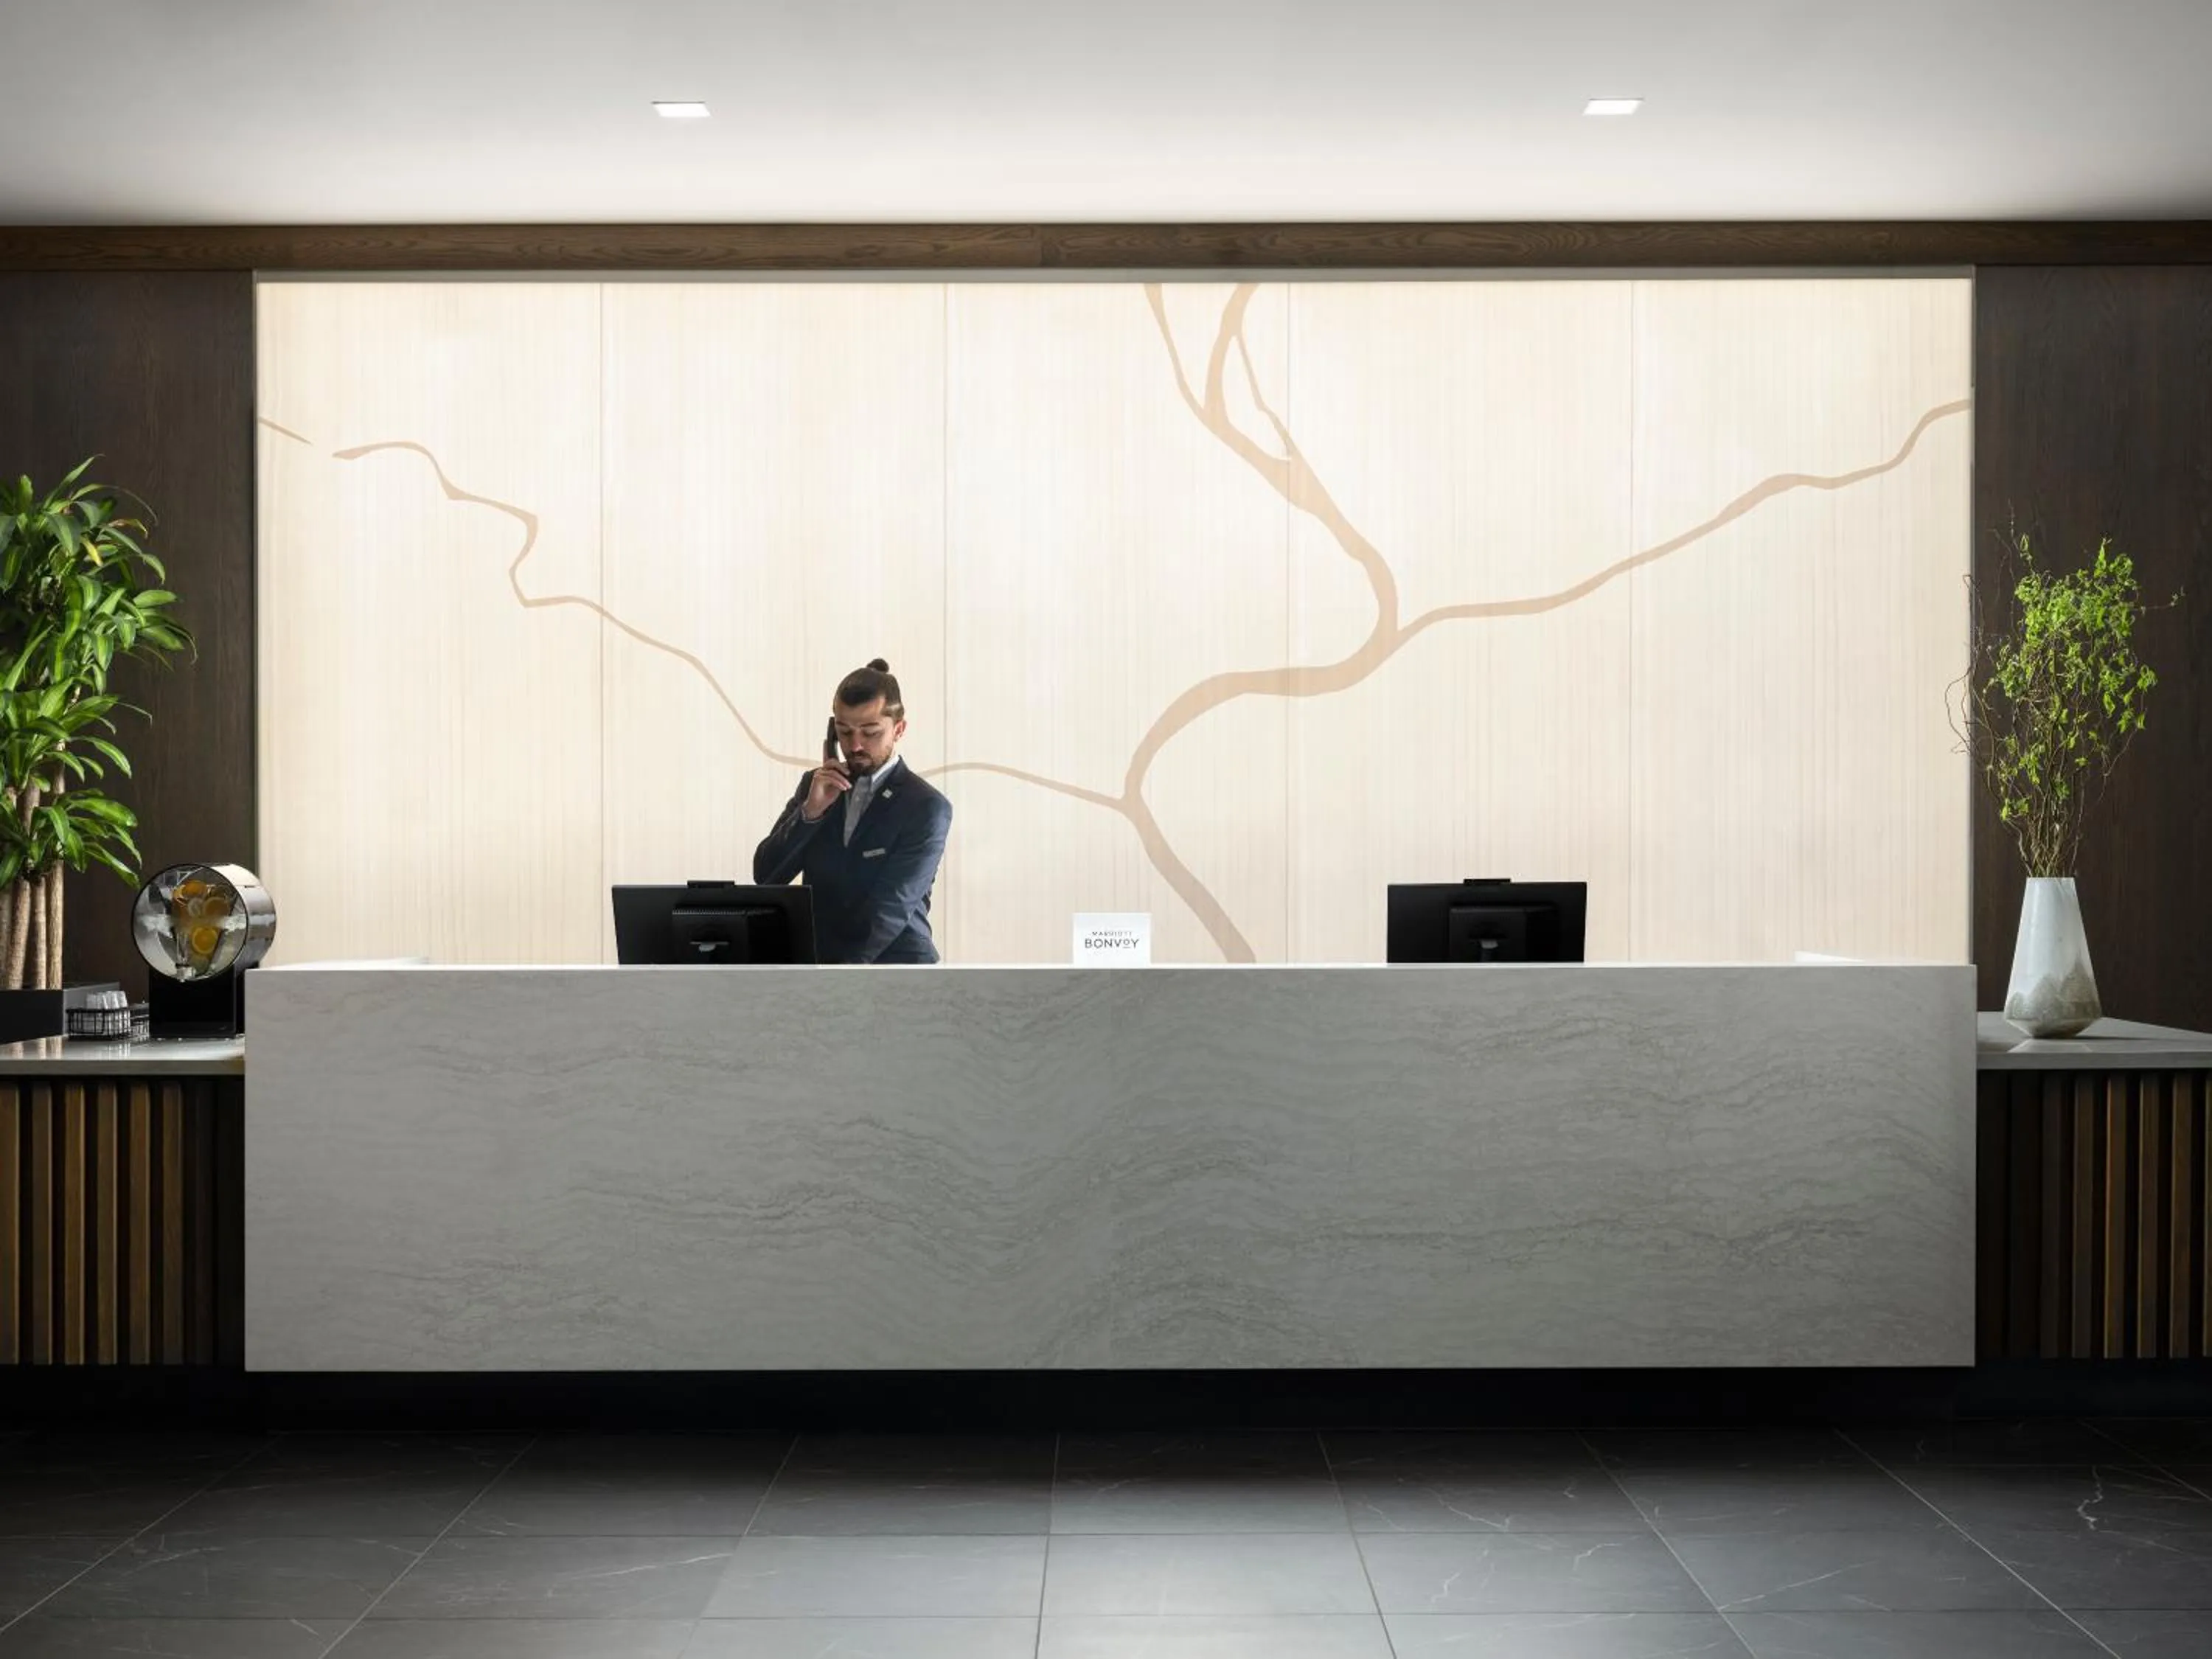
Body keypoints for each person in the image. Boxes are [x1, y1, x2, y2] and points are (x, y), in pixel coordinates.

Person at [753, 659, 953, 964]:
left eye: (870, 732)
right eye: (844, 732)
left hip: (895, 971)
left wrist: (838, 979)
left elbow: (891, 908)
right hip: (823, 968)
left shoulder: (926, 807)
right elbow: (767, 876)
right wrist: (811, 813)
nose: (855, 745)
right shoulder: (814, 787)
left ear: (898, 729)